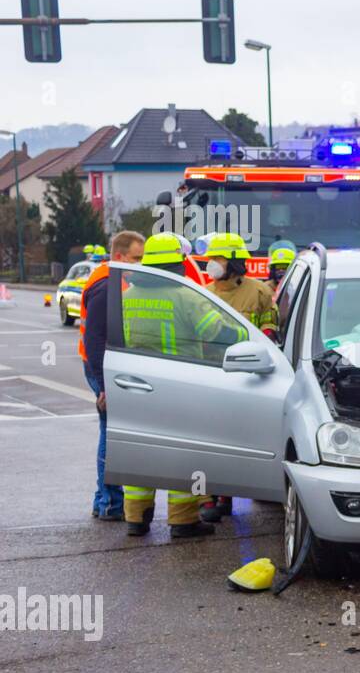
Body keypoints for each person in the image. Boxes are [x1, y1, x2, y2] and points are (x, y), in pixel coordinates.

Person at [117, 233, 245, 539]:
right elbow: (214, 332)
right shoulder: (186, 296)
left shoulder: (127, 296)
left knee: (139, 453)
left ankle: (136, 518)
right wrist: (246, 337)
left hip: (134, 384)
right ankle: (183, 521)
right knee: (182, 455)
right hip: (178, 386)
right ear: (177, 264)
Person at [199, 233, 278, 523]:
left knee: (242, 438)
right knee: (211, 440)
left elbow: (270, 327)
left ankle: (236, 491)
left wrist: (265, 341)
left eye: (217, 259)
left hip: (250, 377)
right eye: (211, 260)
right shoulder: (205, 292)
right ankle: (212, 498)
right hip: (214, 375)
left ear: (233, 262)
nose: (212, 265)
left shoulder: (259, 292)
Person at [80, 230, 145, 521]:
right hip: (102, 369)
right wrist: (105, 387)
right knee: (111, 432)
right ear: (120, 256)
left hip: (106, 366)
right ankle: (108, 502)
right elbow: (95, 339)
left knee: (112, 431)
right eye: (136, 258)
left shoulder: (115, 279)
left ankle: (105, 502)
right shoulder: (107, 286)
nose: (141, 264)